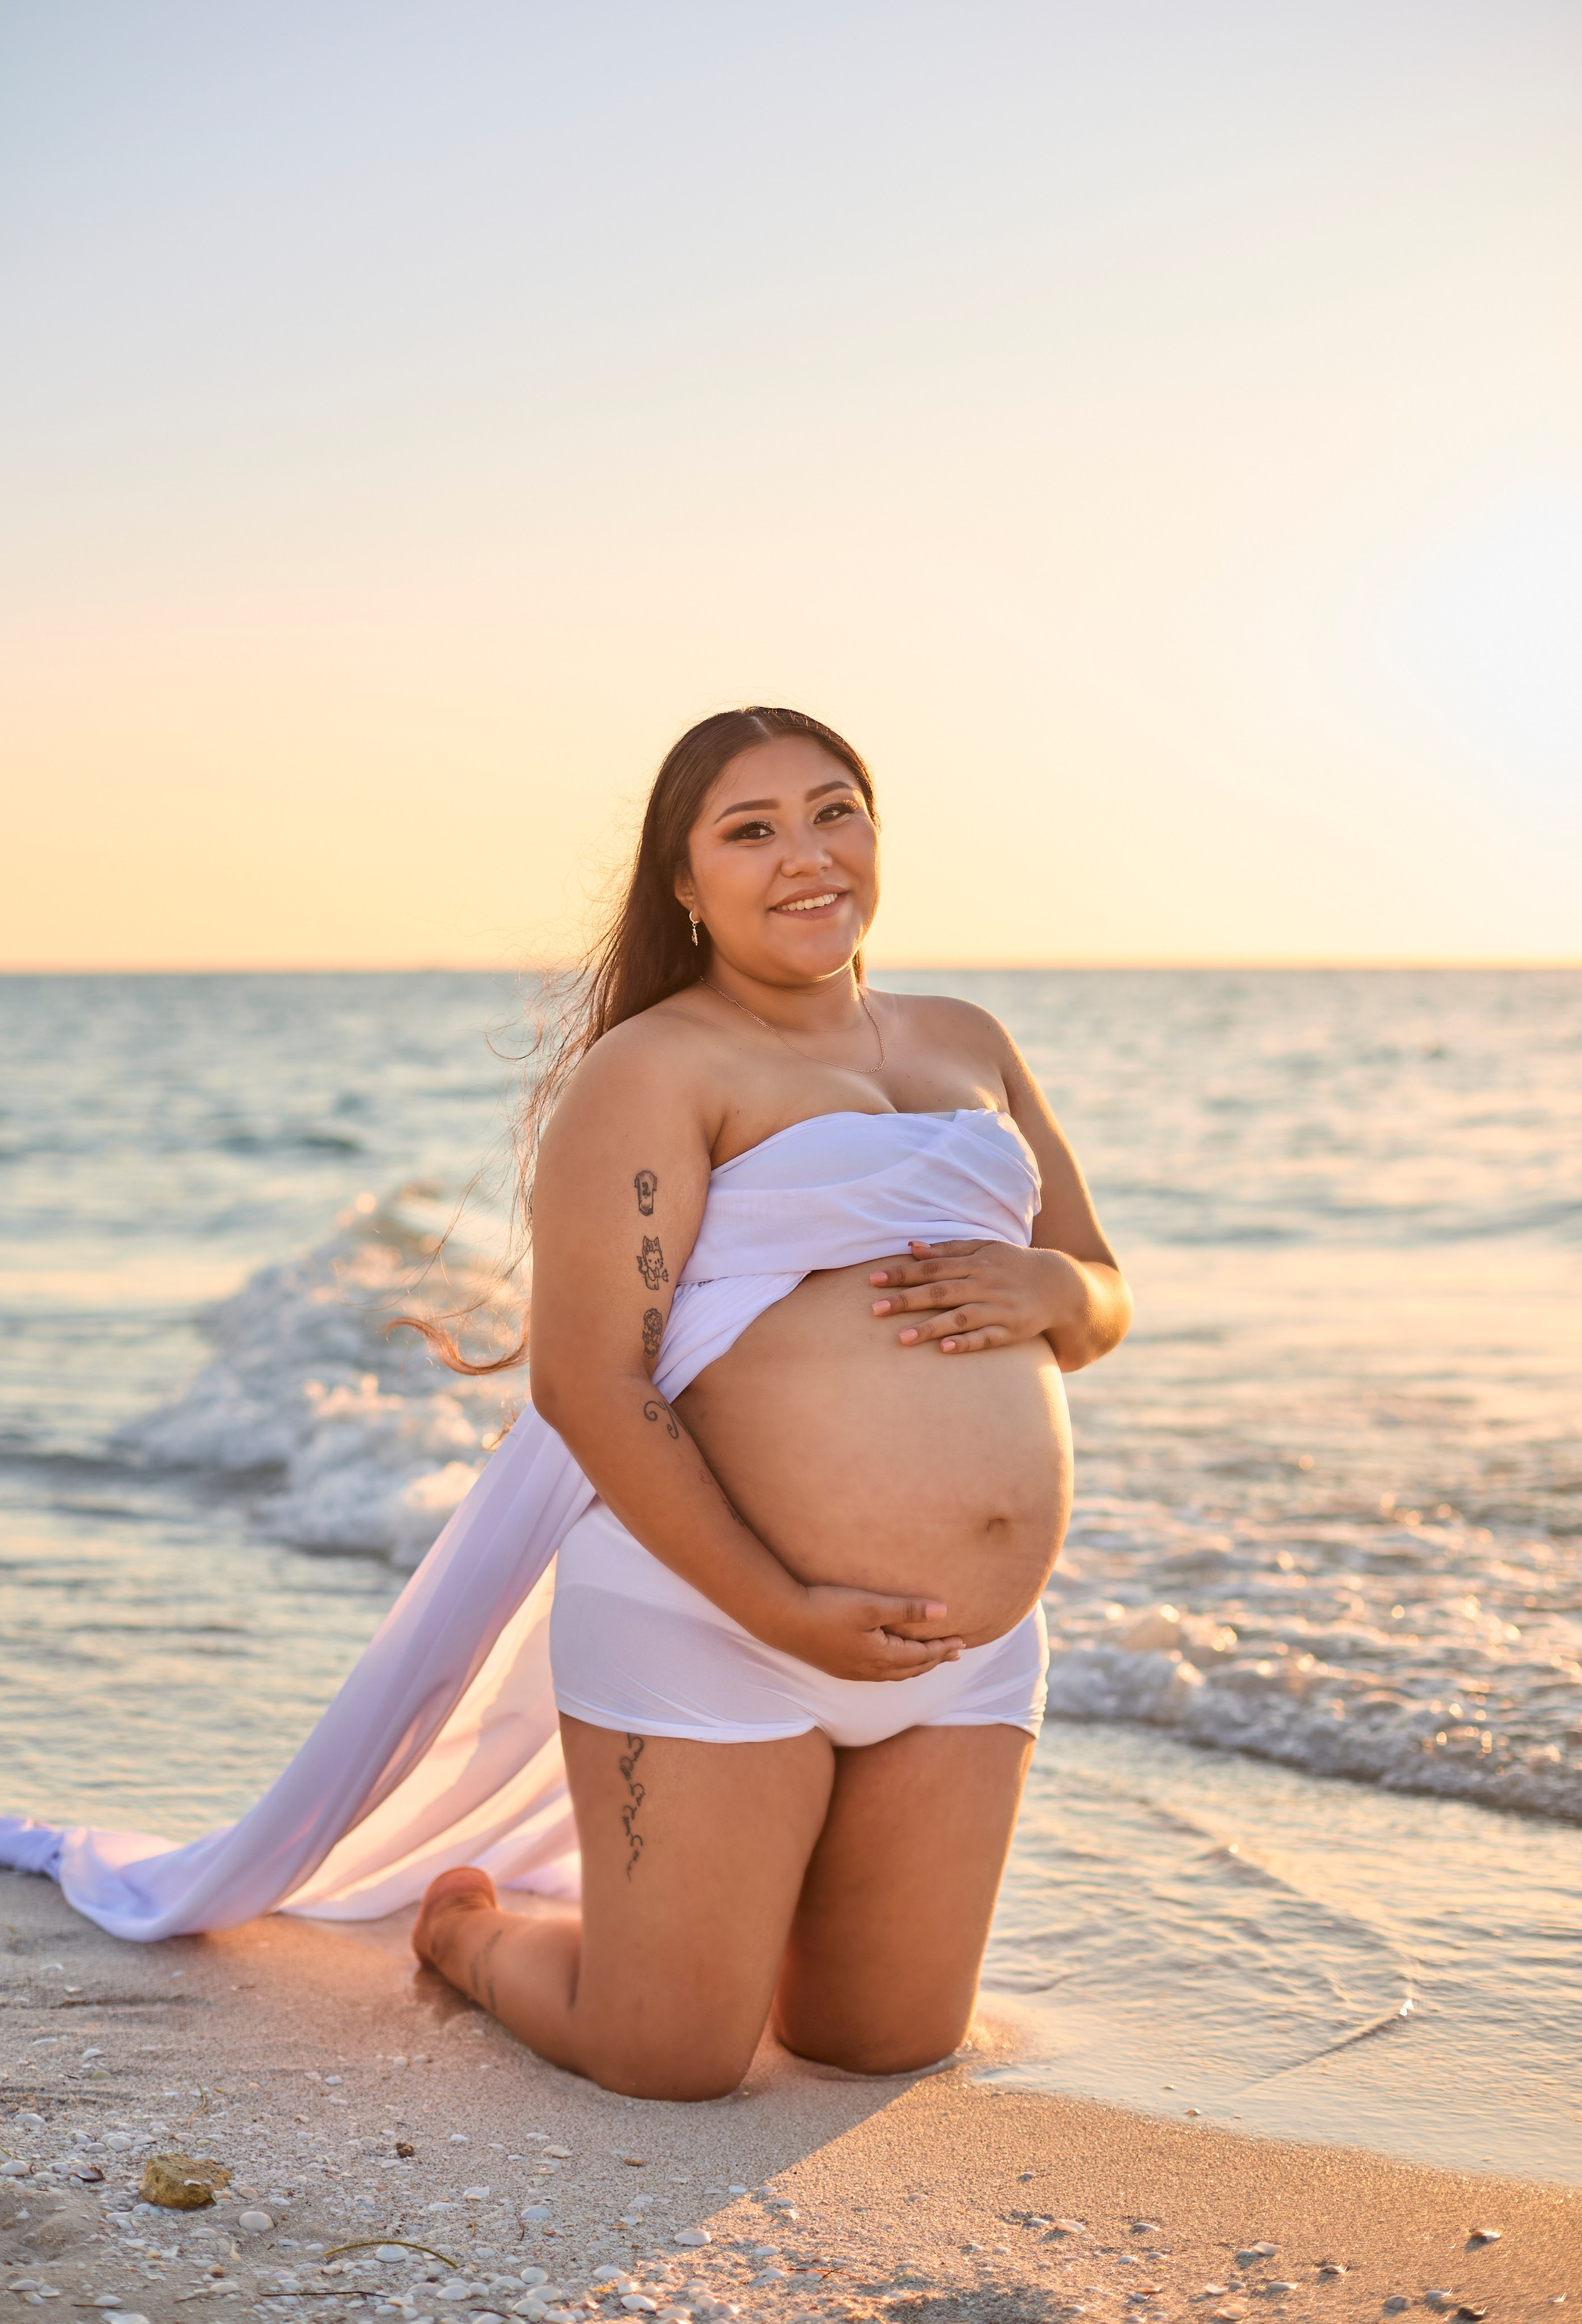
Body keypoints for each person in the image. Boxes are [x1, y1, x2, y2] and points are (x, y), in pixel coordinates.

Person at [408, 704, 1132, 2098]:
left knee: (880, 2046)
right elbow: (589, 1383)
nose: (806, 856)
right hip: (713, 1619)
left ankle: (732, 1907)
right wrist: (778, 1607)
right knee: (668, 2057)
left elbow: (1099, 1296)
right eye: (751, 831)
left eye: (834, 811)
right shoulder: (658, 1068)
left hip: (960, 1657)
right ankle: (475, 1940)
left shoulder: (966, 1040)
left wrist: (1050, 1290)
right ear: (682, 883)